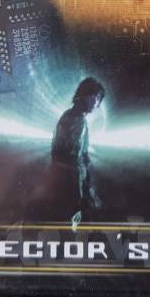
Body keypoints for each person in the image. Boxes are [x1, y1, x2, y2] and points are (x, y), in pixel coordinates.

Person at [50, 77, 105, 225]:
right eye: (96, 98)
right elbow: (68, 157)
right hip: (69, 185)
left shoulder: (77, 118)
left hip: (72, 184)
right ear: (86, 95)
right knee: (70, 225)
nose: (97, 104)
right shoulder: (74, 119)